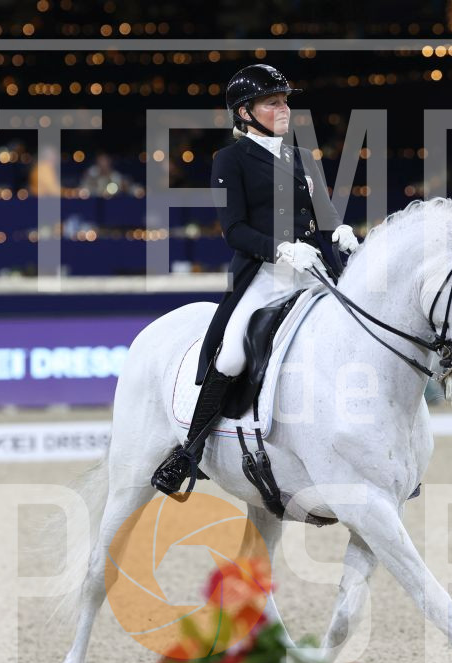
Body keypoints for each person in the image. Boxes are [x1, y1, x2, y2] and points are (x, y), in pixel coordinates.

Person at [151, 63, 360, 497]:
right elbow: (235, 230)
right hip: (265, 275)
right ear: (245, 113)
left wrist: (339, 230)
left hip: (313, 272)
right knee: (231, 355)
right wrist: (282, 249)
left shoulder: (302, 158)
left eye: (284, 101)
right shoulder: (230, 160)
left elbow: (323, 215)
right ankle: (190, 451)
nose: (283, 109)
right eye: (272, 102)